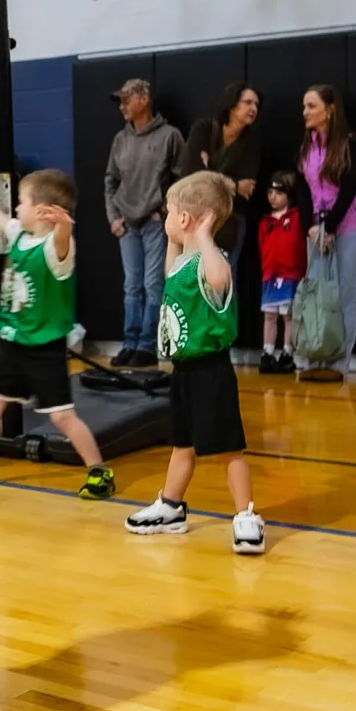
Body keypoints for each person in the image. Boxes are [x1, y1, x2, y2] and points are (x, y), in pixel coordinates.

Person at [0, 170, 116, 502]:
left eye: (21, 202)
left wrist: (64, 224)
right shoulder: (20, 236)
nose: (15, 210)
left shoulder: (55, 252)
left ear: (42, 210)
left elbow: (63, 241)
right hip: (13, 346)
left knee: (61, 416)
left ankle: (99, 471)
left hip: (44, 350)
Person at [124, 171, 264, 554]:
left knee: (227, 448)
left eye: (169, 212)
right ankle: (171, 508)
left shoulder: (210, 260)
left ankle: (246, 515)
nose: (164, 217)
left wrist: (204, 236)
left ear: (185, 218)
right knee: (182, 444)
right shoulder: (184, 260)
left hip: (211, 371)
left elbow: (219, 280)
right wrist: (185, 237)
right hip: (182, 372)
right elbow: (172, 269)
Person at [295, 85, 356, 382]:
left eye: (311, 106)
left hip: (351, 226)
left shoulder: (350, 144)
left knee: (343, 295)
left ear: (330, 109)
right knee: (317, 296)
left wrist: (332, 226)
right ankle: (316, 359)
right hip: (317, 230)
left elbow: (350, 188)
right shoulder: (306, 147)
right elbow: (301, 190)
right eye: (304, 107)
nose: (306, 112)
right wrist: (312, 227)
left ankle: (338, 364)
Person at [105, 79, 184, 369]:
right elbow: (110, 181)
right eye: (120, 101)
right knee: (131, 286)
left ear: (145, 99)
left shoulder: (170, 136)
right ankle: (129, 342)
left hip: (153, 223)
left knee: (153, 284)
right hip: (127, 225)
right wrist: (113, 217)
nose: (123, 106)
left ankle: (147, 345)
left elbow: (181, 179)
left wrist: (164, 212)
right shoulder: (120, 140)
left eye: (127, 99)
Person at [183, 82, 262, 273]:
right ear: (232, 104)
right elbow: (191, 175)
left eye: (257, 105)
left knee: (224, 281)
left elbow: (247, 189)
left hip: (229, 220)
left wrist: (208, 170)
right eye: (248, 102)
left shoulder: (251, 143)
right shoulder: (203, 129)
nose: (253, 108)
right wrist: (233, 185)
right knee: (197, 280)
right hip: (197, 217)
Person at [257, 171, 306, 375]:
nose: (272, 197)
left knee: (288, 316)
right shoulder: (264, 222)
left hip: (290, 276)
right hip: (270, 276)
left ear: (289, 194)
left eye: (278, 192)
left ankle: (287, 353)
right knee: (269, 315)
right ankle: (267, 353)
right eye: (270, 192)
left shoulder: (296, 218)